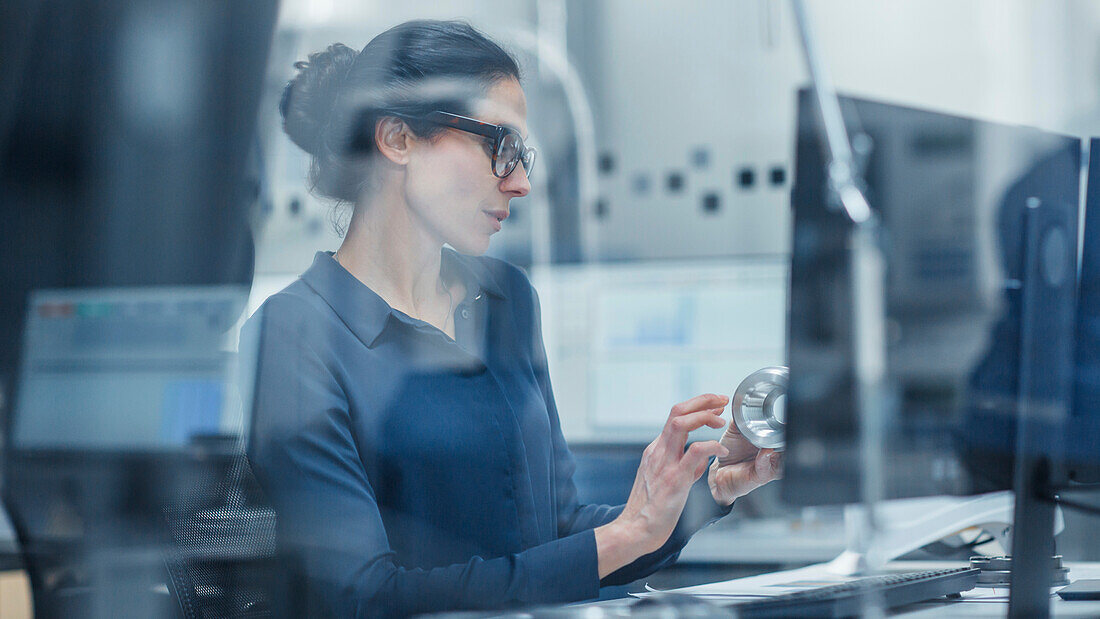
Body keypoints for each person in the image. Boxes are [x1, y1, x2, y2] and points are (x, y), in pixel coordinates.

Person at [243, 19, 782, 618]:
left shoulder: (504, 300)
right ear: (397, 139)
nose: (521, 182)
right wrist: (626, 534)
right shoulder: (294, 336)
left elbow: (555, 534)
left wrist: (704, 489)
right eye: (499, 146)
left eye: (521, 155)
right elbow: (365, 599)